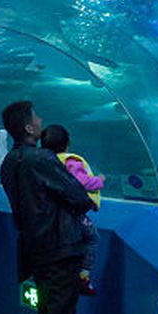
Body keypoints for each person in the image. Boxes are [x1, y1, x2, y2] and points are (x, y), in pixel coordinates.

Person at [0, 100, 97, 314]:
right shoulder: (40, 159)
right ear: (29, 128)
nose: (41, 120)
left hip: (35, 251)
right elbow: (78, 194)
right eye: (36, 117)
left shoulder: (10, 161)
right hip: (59, 250)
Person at [40, 124, 102, 297]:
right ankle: (84, 275)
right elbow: (81, 182)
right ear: (67, 144)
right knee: (93, 238)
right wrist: (99, 180)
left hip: (51, 216)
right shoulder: (71, 162)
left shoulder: (42, 162)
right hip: (73, 216)